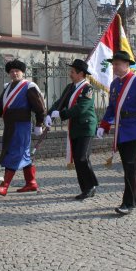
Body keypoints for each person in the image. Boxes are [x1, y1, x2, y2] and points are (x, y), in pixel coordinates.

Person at [97, 51, 136, 215]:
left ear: (127, 65)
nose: (115, 67)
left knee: (130, 166)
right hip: (122, 129)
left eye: (117, 64)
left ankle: (128, 202)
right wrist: (104, 124)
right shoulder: (115, 84)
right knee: (132, 166)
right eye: (114, 64)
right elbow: (112, 107)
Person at [0, 59, 46, 196]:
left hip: (22, 125)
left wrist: (39, 124)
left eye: (17, 71)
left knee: (15, 153)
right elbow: (0, 106)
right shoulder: (7, 87)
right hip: (10, 126)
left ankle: (5, 185)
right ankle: (31, 183)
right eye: (11, 71)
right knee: (21, 153)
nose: (14, 73)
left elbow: (40, 107)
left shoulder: (29, 86)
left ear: (22, 72)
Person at [46, 59, 99, 200]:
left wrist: (62, 114)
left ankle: (91, 186)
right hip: (75, 127)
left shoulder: (88, 89)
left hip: (86, 126)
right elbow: (60, 102)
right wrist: (49, 114)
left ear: (81, 73)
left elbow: (81, 108)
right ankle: (86, 188)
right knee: (78, 158)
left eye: (73, 72)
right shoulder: (70, 87)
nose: (70, 74)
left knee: (82, 157)